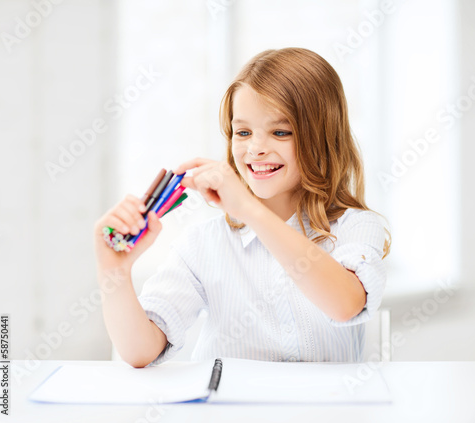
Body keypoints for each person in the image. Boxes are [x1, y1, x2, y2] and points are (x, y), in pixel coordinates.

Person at [93, 47, 391, 368]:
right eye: (243, 132)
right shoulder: (203, 244)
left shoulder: (356, 227)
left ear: (321, 138)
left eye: (280, 132)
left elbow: (345, 304)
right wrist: (115, 271)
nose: (256, 148)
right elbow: (140, 352)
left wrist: (249, 209)